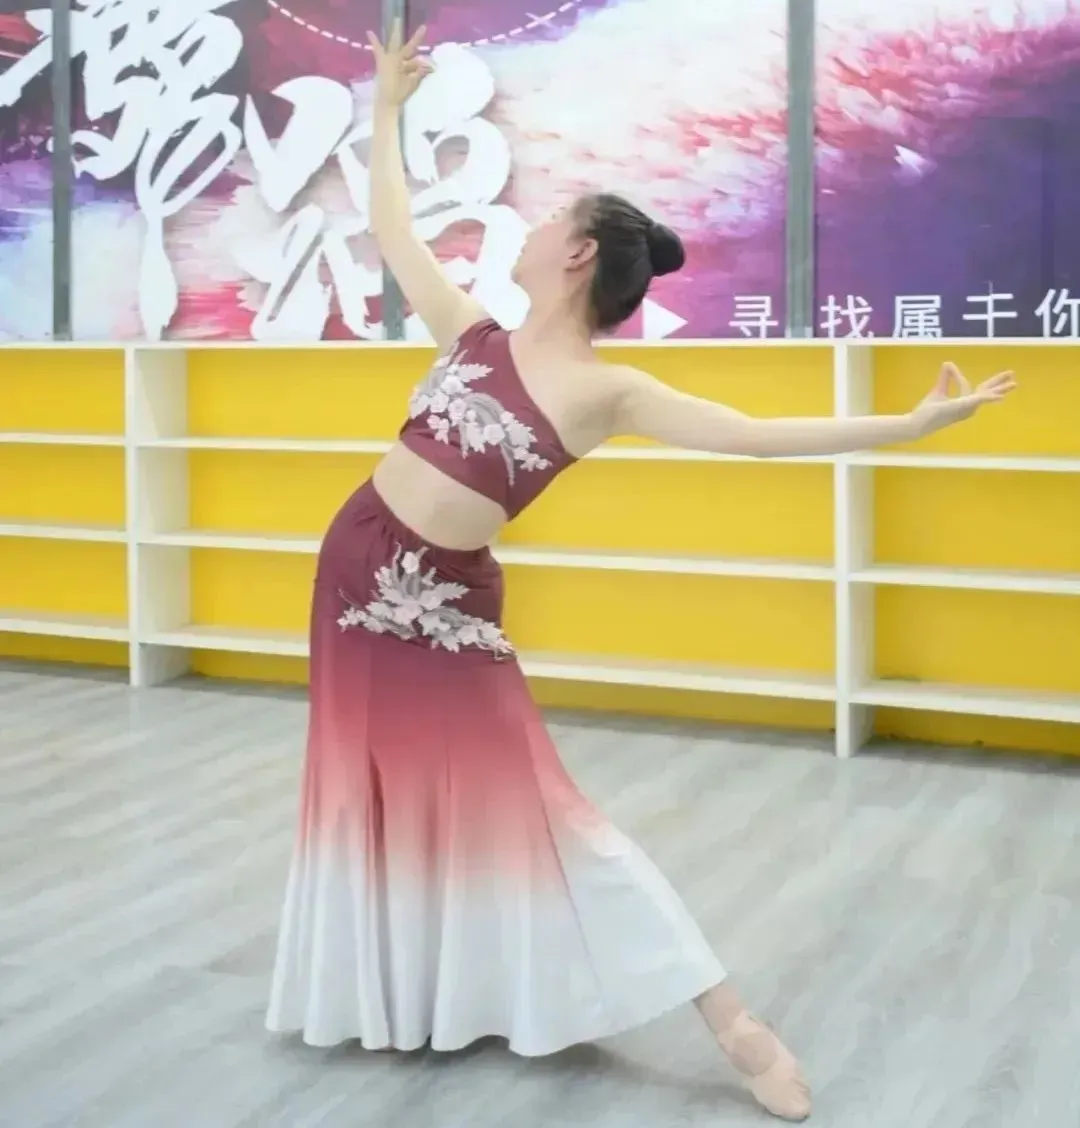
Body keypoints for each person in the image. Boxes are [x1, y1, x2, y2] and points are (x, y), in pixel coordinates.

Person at [265, 23, 1016, 1123]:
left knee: (545, 808)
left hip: (443, 610)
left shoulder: (608, 391)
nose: (526, 231)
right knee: (372, 794)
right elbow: (390, 227)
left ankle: (733, 1023)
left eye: (545, 223)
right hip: (349, 585)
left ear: (577, 256)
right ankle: (412, 993)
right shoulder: (471, 336)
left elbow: (754, 437)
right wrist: (382, 108)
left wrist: (907, 426)